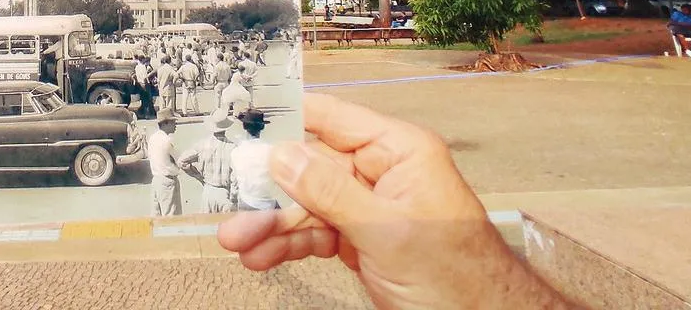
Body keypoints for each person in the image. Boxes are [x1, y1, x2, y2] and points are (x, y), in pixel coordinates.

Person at [218, 93, 584, 310]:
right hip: (274, 204)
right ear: (263, 127)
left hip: (252, 206)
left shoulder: (238, 155)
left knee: (257, 238)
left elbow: (235, 186)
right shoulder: (279, 153)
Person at [181, 113, 237, 213]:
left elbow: (182, 161)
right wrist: (234, 198)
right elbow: (235, 176)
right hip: (224, 193)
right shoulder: (232, 148)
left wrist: (198, 176)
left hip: (208, 190)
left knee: (206, 226)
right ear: (226, 128)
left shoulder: (202, 145)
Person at [230, 108, 278, 211]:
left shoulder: (237, 152)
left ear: (244, 127)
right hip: (267, 203)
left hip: (247, 201)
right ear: (262, 127)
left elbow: (235, 181)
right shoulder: (271, 150)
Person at [147, 107, 183, 217]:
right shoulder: (167, 141)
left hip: (156, 180)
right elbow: (180, 160)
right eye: (173, 122)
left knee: (157, 216)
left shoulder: (153, 138)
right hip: (168, 182)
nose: (175, 125)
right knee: (171, 217)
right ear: (166, 123)